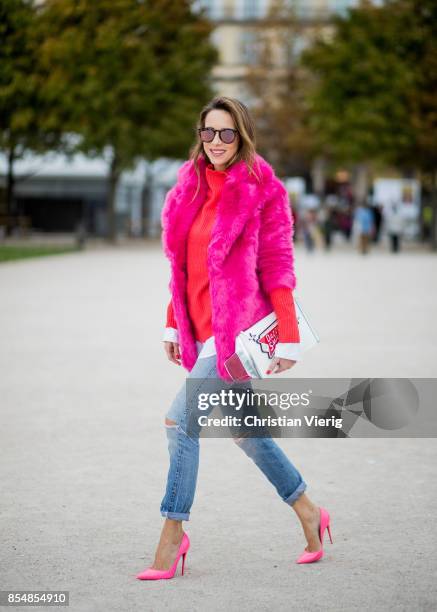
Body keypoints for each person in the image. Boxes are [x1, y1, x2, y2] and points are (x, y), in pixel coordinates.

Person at [136, 97, 333, 581]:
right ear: (199, 135)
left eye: (227, 133)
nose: (218, 142)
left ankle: (172, 534)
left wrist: (287, 337)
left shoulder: (263, 188)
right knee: (247, 433)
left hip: (238, 335)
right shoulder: (188, 186)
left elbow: (277, 267)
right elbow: (181, 266)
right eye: (209, 133)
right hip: (198, 329)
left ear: (242, 135)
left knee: (179, 421)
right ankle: (309, 510)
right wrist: (171, 323)